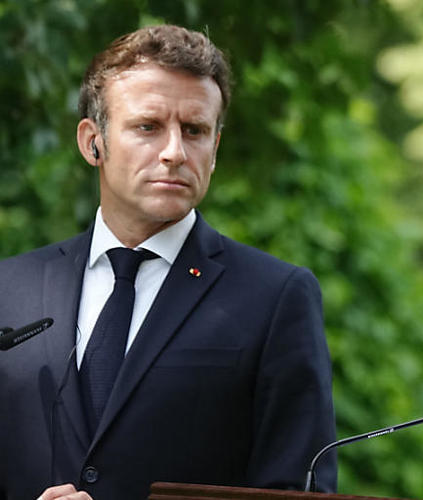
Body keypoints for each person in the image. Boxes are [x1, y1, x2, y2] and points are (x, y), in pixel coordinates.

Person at [0, 25, 337, 499]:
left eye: (195, 130)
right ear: (92, 141)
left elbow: (301, 491)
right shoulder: (7, 290)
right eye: (148, 127)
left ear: (215, 149)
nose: (175, 152)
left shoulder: (277, 297)